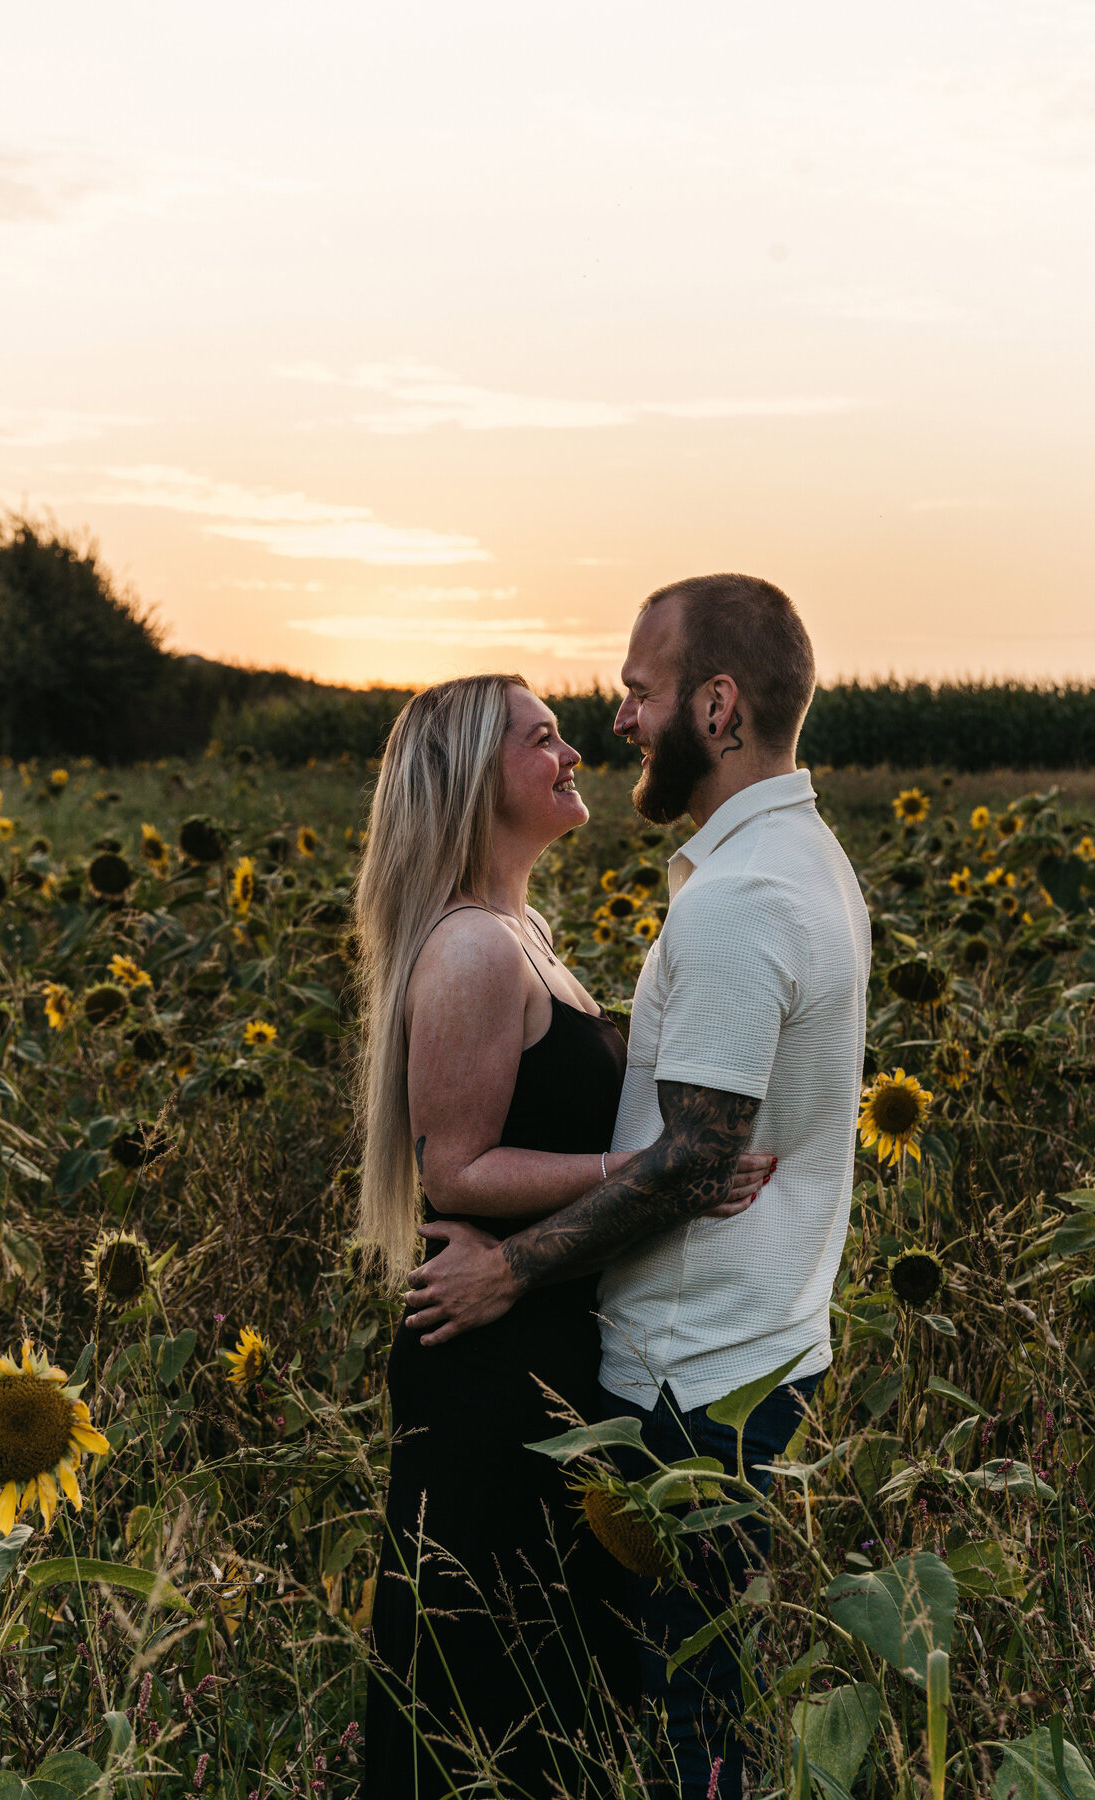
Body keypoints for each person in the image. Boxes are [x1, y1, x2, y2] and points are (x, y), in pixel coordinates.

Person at [401, 574, 871, 1800]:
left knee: (681, 1713)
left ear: (717, 709)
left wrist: (506, 1269)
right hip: (734, 1350)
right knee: (652, 1701)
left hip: (690, 1376)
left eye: (635, 692)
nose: (614, 721)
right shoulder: (801, 862)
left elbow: (697, 1161)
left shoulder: (738, 901)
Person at [355, 672, 771, 1799]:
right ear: (473, 781)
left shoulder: (522, 932)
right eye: (543, 741)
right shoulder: (472, 950)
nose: (575, 753)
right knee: (486, 1685)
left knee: (550, 1681)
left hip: (542, 1334)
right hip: (489, 1367)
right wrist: (647, 1172)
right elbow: (454, 1167)